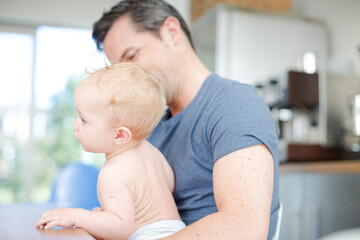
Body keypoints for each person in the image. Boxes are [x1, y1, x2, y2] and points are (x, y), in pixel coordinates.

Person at [92, 0, 280, 239]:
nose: (127, 79)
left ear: (171, 32)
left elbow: (244, 228)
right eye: (119, 70)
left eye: (131, 56)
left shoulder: (234, 104)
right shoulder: (151, 128)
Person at [36, 63, 186, 240]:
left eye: (83, 119)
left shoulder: (112, 172)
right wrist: (106, 217)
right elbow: (169, 184)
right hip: (180, 231)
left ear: (120, 135)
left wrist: (77, 216)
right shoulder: (152, 152)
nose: (75, 124)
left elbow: (120, 229)